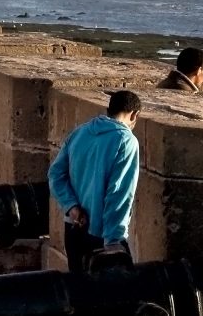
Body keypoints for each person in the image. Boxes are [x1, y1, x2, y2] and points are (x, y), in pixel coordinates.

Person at [48, 90, 142, 273]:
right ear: (134, 115)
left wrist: (72, 207)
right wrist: (113, 240)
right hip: (103, 234)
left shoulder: (80, 132)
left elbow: (55, 175)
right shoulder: (126, 140)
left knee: (80, 292)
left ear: (109, 109)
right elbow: (120, 194)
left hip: (74, 227)